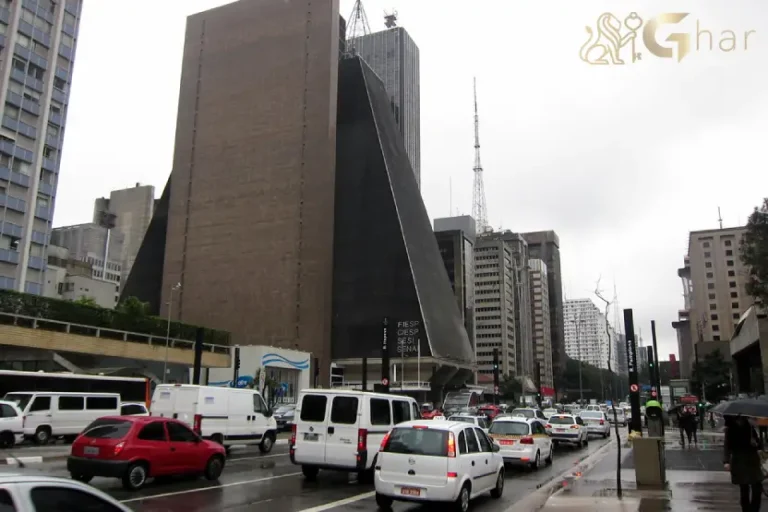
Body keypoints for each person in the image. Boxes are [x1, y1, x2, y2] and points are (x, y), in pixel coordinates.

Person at [724, 415, 764, 512]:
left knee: (757, 487)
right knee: (744, 488)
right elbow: (727, 446)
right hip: (739, 460)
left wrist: (756, 443)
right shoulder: (730, 429)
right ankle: (746, 509)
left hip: (752, 460)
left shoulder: (750, 427)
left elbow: (759, 444)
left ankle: (754, 509)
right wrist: (726, 461)